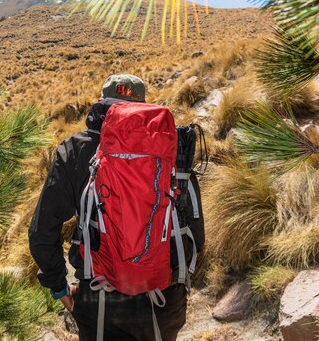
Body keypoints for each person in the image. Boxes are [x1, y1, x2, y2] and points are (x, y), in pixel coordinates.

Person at [29, 74, 205, 341]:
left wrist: (58, 286)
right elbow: (194, 229)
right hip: (164, 296)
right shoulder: (171, 147)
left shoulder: (76, 149)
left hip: (101, 296)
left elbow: (43, 230)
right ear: (142, 104)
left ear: (101, 102)